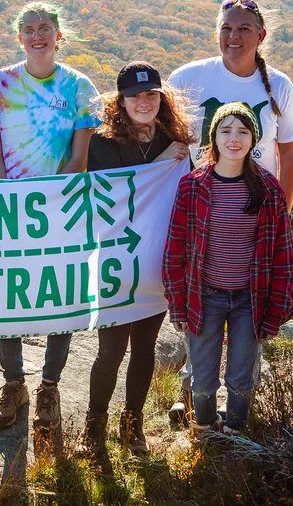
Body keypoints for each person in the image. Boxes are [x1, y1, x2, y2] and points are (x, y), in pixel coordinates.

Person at [165, 0, 293, 426]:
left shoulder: (278, 87)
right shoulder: (188, 78)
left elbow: (291, 158)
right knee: (202, 325)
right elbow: (165, 146)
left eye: (244, 28)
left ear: (261, 36)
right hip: (203, 216)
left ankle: (234, 421)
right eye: (227, 27)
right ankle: (193, 400)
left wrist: (275, 219)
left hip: (254, 222)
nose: (234, 36)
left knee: (246, 332)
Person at [0, 1, 101, 452]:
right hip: (9, 206)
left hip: (60, 207)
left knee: (58, 292)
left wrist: (52, 201)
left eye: (45, 27)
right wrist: (7, 198)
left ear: (59, 35)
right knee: (7, 295)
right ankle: (13, 382)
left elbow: (80, 157)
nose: (37, 35)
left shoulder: (80, 88)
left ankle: (48, 384)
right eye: (28, 29)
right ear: (19, 37)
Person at [82, 61, 193, 456]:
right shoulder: (104, 141)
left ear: (161, 98)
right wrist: (164, 163)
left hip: (154, 261)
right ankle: (92, 431)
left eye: (151, 95)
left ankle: (133, 427)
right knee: (110, 350)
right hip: (114, 260)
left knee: (145, 347)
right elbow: (117, 193)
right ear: (121, 100)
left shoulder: (173, 137)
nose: (143, 102)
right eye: (135, 96)